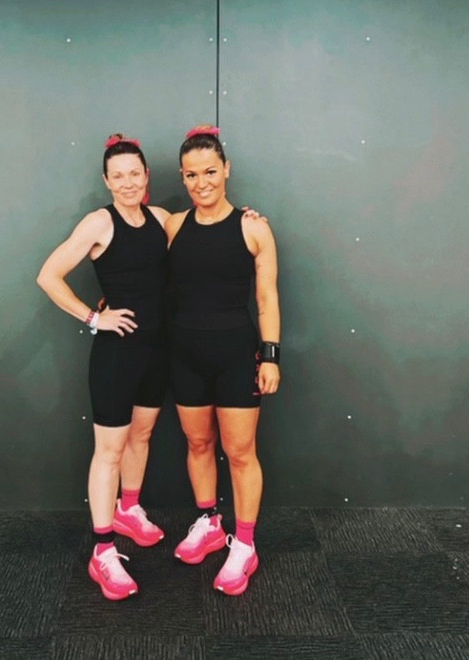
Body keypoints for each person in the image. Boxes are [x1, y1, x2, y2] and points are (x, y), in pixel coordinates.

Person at [37, 134, 171, 601]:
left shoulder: (161, 219)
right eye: (118, 176)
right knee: (109, 451)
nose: (128, 182)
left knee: (142, 436)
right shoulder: (99, 222)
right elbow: (48, 276)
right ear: (106, 180)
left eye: (135, 173)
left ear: (146, 175)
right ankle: (102, 551)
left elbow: (206, 229)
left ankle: (128, 510)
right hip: (117, 354)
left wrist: (249, 219)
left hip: (157, 351)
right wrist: (94, 319)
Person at [166, 125, 280, 596]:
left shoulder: (253, 227)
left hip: (236, 354)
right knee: (197, 444)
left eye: (210, 171)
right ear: (182, 177)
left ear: (226, 169)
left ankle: (245, 545)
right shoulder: (172, 226)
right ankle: (209, 522)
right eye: (191, 175)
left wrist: (270, 357)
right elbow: (133, 255)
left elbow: (267, 299)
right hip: (185, 355)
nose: (201, 182)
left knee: (239, 452)